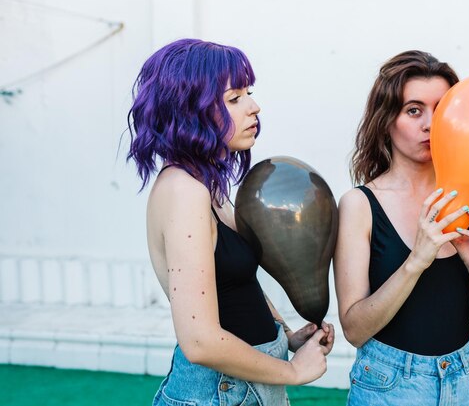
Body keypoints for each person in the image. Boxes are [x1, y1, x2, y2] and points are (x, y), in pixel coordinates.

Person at [127, 39, 334, 406]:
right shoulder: (184, 191)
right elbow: (200, 341)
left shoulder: (208, 187)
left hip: (244, 384)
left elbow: (234, 285)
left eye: (248, 93)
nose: (254, 107)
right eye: (234, 98)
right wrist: (293, 371)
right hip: (219, 391)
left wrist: (286, 337)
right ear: (190, 109)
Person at [333, 50, 469, 406]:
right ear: (386, 120)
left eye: (442, 110)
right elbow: (354, 329)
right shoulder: (360, 205)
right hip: (390, 384)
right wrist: (416, 260)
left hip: (468, 378)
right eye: (414, 110)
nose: (430, 124)